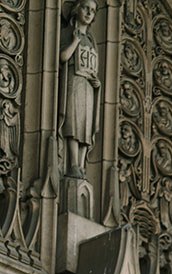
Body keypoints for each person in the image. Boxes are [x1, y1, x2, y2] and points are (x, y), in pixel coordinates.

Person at [58, 0, 101, 177]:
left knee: (86, 125)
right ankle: (73, 163)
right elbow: (63, 56)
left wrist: (97, 83)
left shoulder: (92, 40)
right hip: (74, 81)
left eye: (93, 10)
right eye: (86, 8)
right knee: (73, 122)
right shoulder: (68, 33)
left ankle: (82, 165)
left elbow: (93, 66)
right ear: (77, 10)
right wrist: (75, 41)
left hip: (88, 86)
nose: (89, 13)